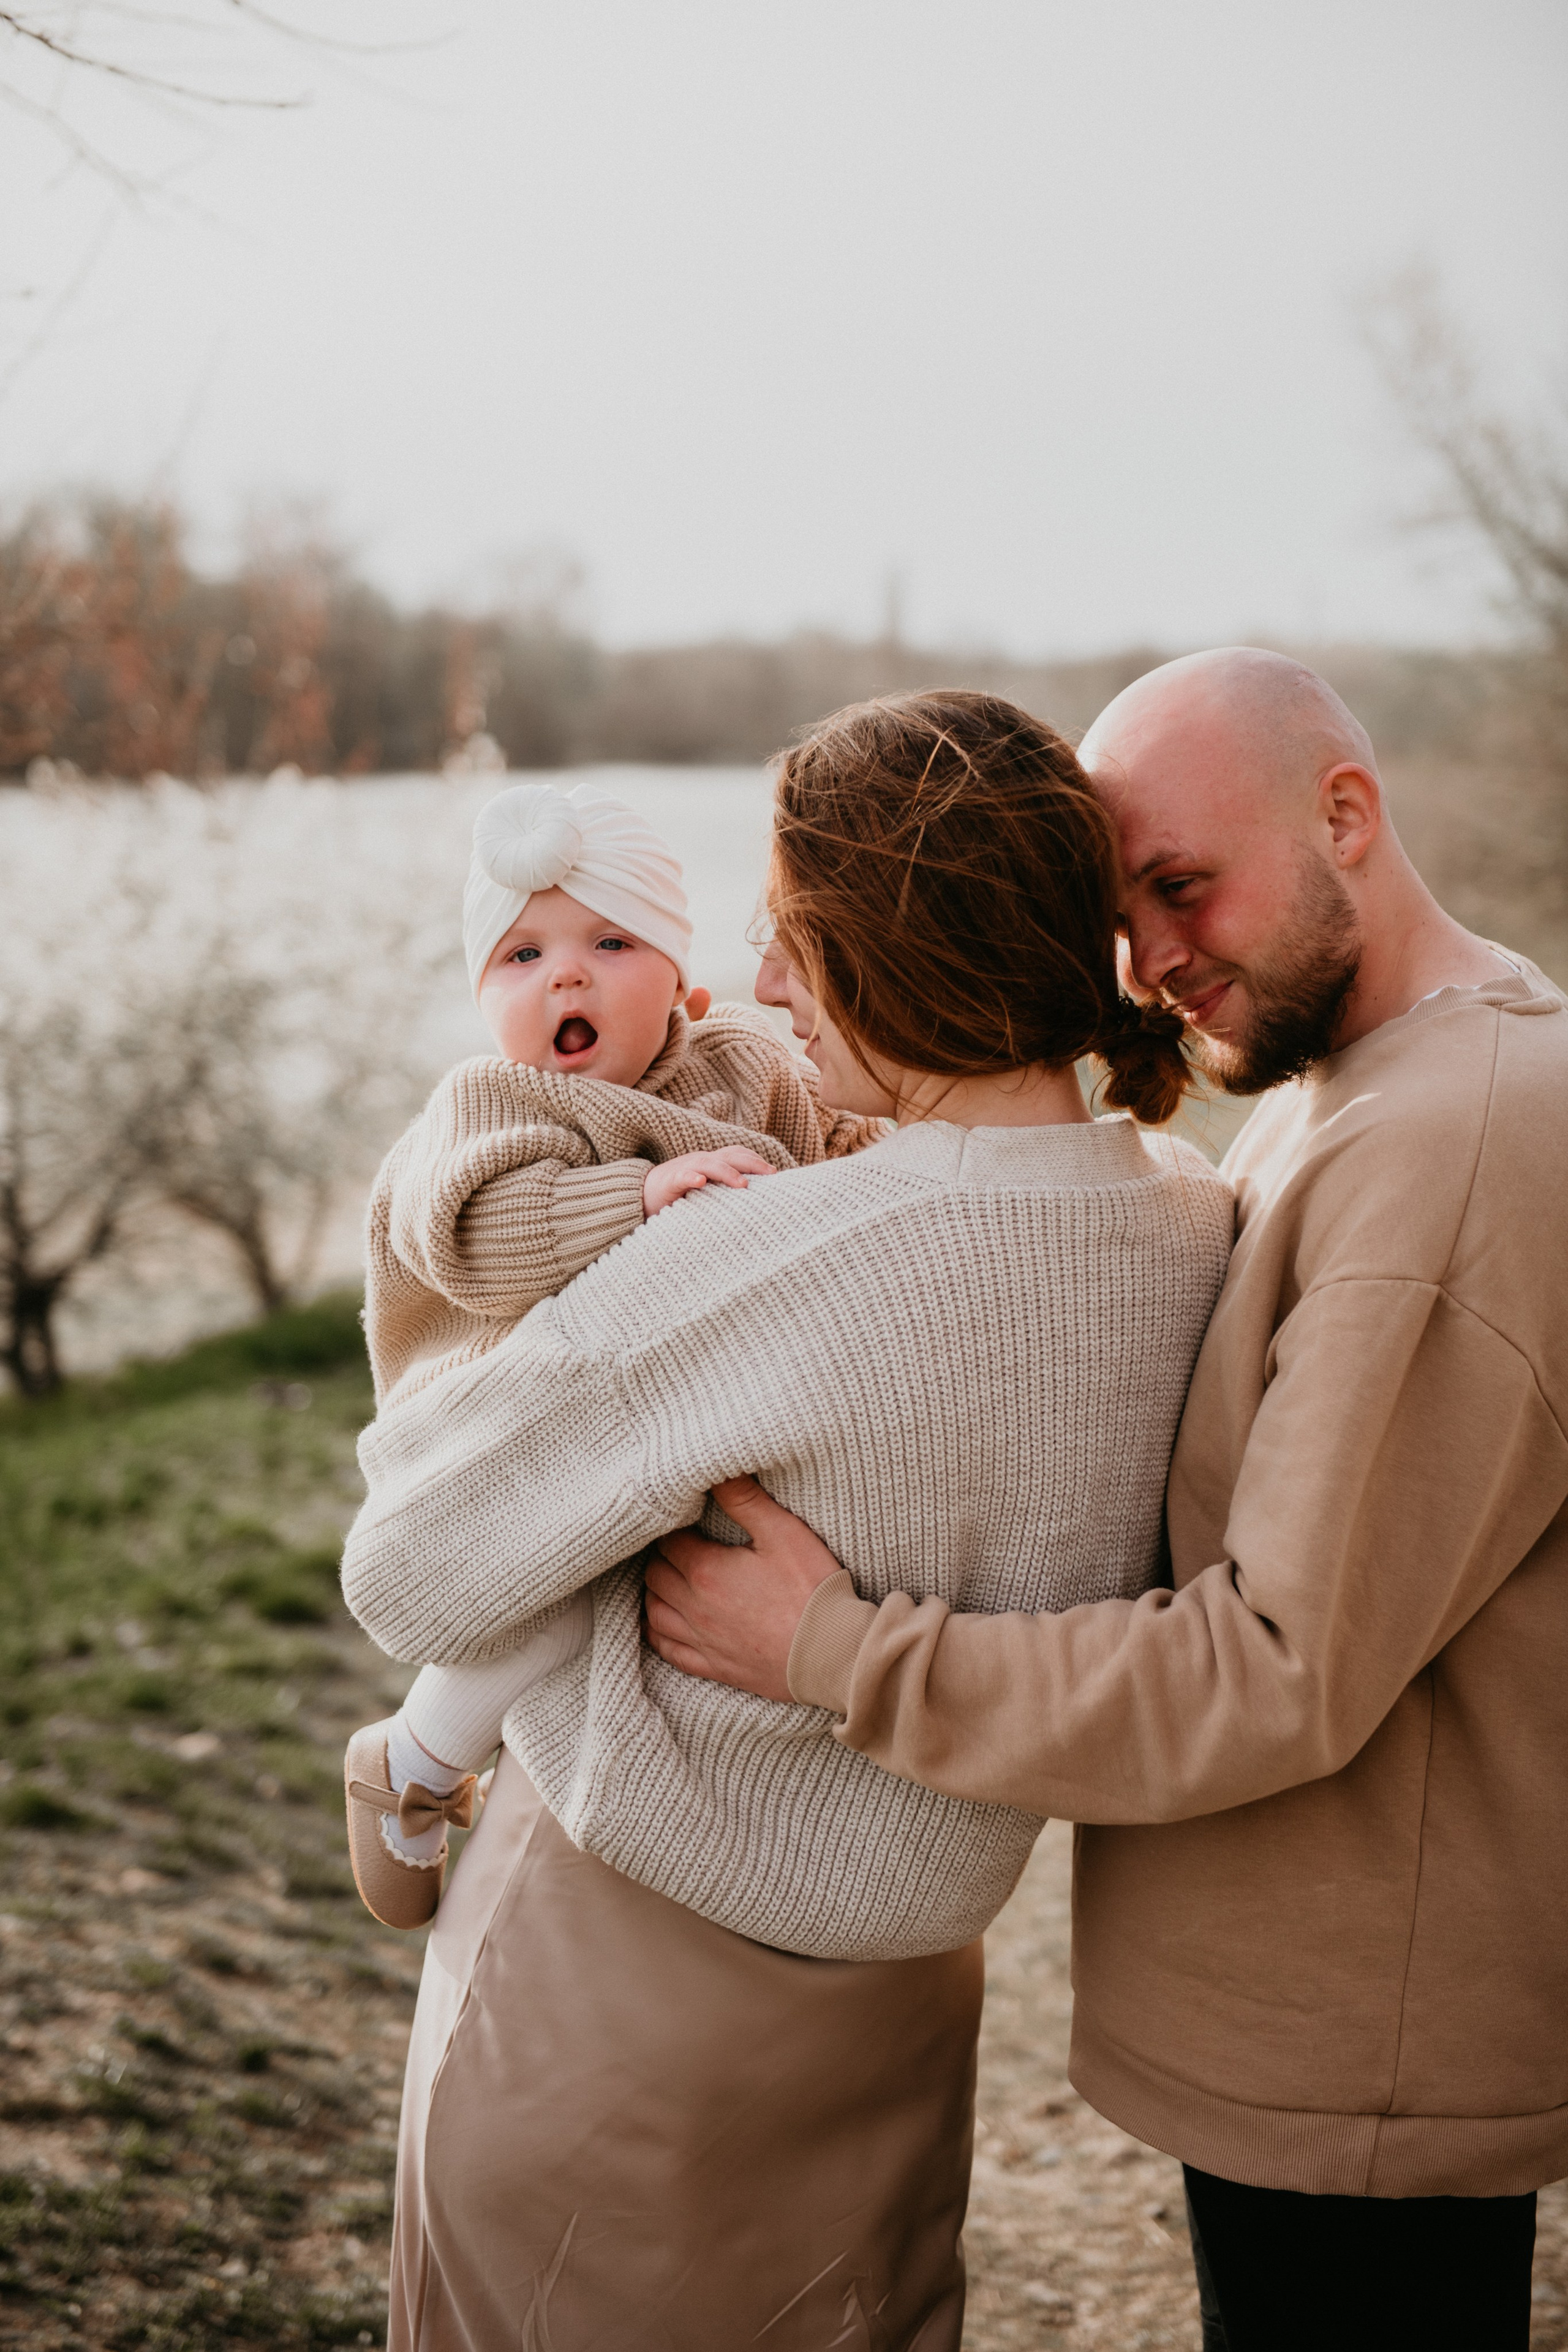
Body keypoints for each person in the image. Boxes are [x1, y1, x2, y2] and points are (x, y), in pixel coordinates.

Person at [644, 648, 1568, 2352]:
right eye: (1120, 906)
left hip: (1366, 2069)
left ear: (1346, 812)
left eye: (1183, 887)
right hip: (1325, 2043)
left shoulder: (1459, 1137)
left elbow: (1274, 1662)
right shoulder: (1357, 1087)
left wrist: (835, 1650)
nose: (1144, 959)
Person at [339, 690, 1233, 2350]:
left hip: (615, 1995)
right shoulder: (1200, 1235)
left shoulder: (773, 1257)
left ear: (896, 953)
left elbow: (411, 1563)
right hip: (912, 2009)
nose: (755, 991)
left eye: (792, 946)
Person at [344, 776, 881, 1931]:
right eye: (521, 957)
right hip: (507, 1408)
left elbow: (841, 1146)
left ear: (683, 979)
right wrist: (637, 1196)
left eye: (608, 940)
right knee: (553, 1587)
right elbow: (484, 1240)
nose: (565, 977)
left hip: (677, 1406)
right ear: (485, 997)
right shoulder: (494, 1102)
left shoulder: (749, 1066)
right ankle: (417, 1758)